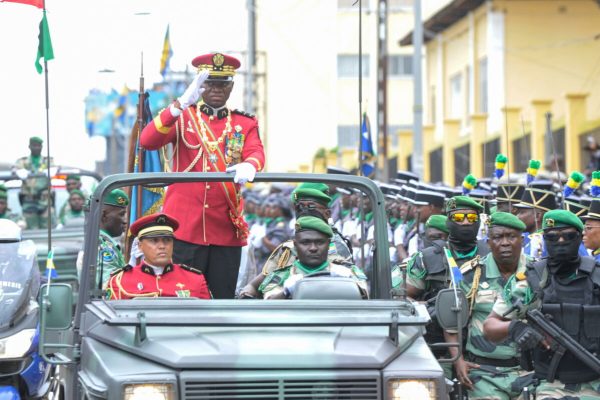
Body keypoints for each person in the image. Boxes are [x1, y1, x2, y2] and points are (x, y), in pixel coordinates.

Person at [140, 52, 265, 299]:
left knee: (222, 300)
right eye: (209, 82)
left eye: (223, 83)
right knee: (181, 299)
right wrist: (179, 104)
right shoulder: (184, 116)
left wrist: (250, 164)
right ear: (199, 85)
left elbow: (255, 152)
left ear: (231, 86)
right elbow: (147, 140)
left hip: (224, 229)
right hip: (185, 227)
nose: (216, 88)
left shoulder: (244, 123)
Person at [483, 210, 600, 399]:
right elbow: (490, 326)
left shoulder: (597, 277)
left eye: (568, 236)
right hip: (552, 384)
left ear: (580, 237)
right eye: (553, 237)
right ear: (544, 239)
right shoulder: (533, 281)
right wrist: (515, 327)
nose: (561, 241)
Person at [446, 212, 534, 399]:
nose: (505, 243)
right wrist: (458, 361)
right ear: (488, 242)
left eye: (511, 236)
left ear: (523, 240)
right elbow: (451, 322)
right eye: (497, 237)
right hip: (484, 373)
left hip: (530, 372)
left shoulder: (537, 273)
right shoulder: (471, 274)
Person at [239, 182, 352, 298]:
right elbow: (258, 283)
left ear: (327, 213)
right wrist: (247, 294)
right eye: (299, 207)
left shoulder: (336, 246)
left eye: (311, 207)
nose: (304, 211)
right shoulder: (288, 248)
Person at [106, 213, 211, 300]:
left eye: (167, 240)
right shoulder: (121, 280)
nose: (162, 246)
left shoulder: (195, 279)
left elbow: (208, 320)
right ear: (140, 246)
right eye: (154, 241)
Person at [259, 216, 368, 299]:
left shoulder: (346, 272)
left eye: (319, 243)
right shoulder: (281, 276)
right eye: (305, 243)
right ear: (296, 246)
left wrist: (348, 283)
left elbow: (365, 297)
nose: (313, 248)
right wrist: (286, 292)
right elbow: (269, 304)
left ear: (328, 244)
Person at [13, 136, 55, 229]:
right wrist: (17, 171)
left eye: (39, 146)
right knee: (31, 232)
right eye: (34, 145)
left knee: (49, 232)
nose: (37, 148)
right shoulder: (22, 162)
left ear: (42, 147)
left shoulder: (47, 161)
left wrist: (51, 170)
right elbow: (15, 168)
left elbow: (54, 167)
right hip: (29, 201)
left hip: (45, 201)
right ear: (29, 146)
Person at [97, 189, 129, 286]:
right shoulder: (100, 246)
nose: (125, 221)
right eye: (121, 214)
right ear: (104, 215)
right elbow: (110, 286)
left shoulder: (106, 243)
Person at [514, 187, 557, 260]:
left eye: (522, 212)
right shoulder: (531, 238)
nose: (517, 217)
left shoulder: (542, 242)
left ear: (538, 216)